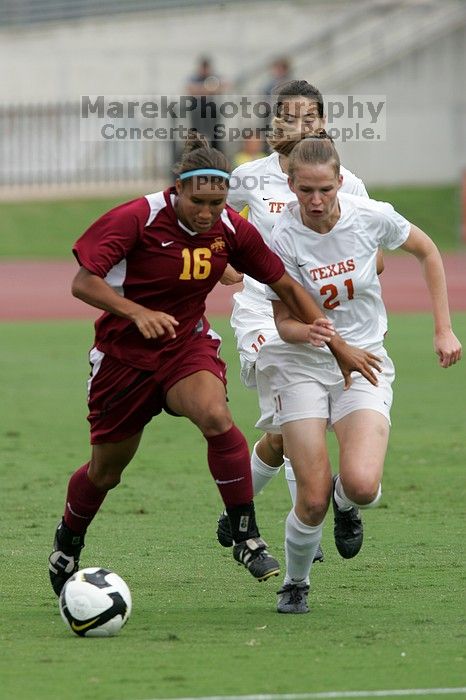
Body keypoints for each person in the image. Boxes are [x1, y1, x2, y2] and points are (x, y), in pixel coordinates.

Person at [47, 131, 380, 599]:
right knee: (106, 472)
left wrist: (338, 344)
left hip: (185, 347)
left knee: (217, 417)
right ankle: (68, 541)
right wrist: (137, 312)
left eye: (218, 202)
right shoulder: (137, 217)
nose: (207, 212)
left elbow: (285, 286)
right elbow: (84, 283)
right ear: (176, 189)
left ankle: (244, 535)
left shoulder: (228, 227)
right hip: (123, 357)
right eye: (198, 201)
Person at [259, 134, 462, 613]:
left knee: (364, 486)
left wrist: (444, 330)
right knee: (309, 500)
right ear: (289, 184)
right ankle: (295, 582)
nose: (315, 200)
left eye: (325, 189)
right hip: (302, 367)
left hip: (364, 362)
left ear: (339, 181)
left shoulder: (370, 215)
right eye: (305, 190)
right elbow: (283, 321)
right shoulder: (279, 237)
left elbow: (429, 251)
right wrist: (305, 334)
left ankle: (345, 502)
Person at [216, 80, 383, 560]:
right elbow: (216, 225)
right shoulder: (249, 177)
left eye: (308, 118)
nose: (298, 126)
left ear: (324, 123)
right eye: (287, 117)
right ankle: (302, 509)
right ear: (273, 125)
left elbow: (371, 252)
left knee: (288, 428)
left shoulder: (345, 182)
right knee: (293, 424)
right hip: (261, 313)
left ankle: (327, 503)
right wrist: (226, 265)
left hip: (328, 317)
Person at [185, 56, 228, 152]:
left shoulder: (213, 77)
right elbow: (191, 89)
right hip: (197, 111)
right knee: (196, 135)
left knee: (215, 136)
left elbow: (225, 85)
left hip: (211, 112)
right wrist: (208, 89)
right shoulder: (194, 77)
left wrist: (204, 89)